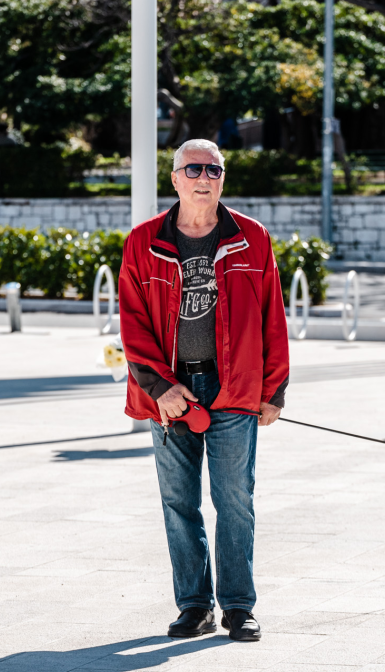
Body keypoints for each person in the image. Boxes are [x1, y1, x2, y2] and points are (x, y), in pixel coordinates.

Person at [118, 139, 289, 642]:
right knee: (178, 502)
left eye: (213, 169)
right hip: (171, 391)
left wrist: (273, 389)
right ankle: (194, 605)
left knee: (236, 499)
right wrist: (160, 387)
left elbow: (271, 317)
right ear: (174, 178)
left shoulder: (251, 238)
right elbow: (132, 322)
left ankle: (238, 606)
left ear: (222, 178)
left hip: (234, 385)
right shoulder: (143, 241)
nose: (203, 177)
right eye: (192, 168)